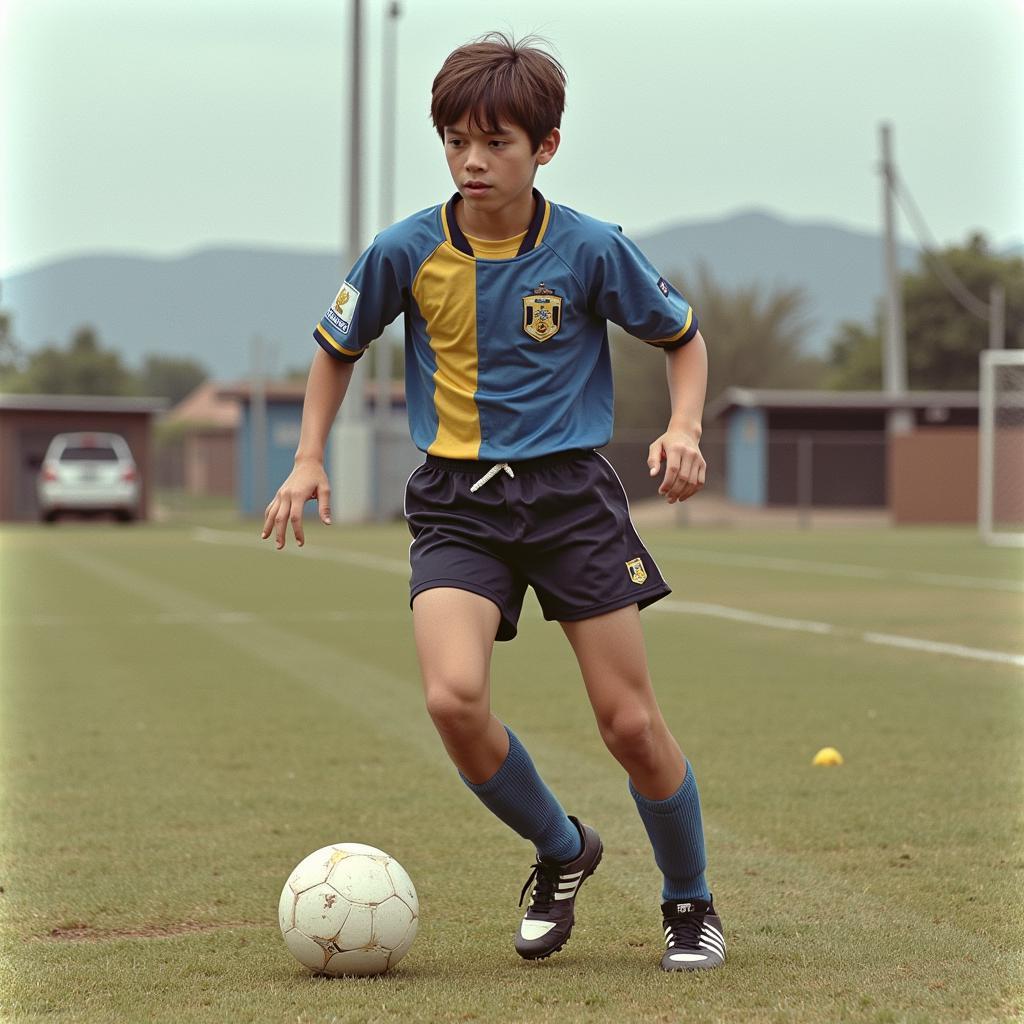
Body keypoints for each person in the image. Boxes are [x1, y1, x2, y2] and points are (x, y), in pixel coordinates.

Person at [261, 32, 725, 972]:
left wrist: (685, 427)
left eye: (496, 143)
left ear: (545, 146)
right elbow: (335, 348)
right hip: (456, 501)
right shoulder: (405, 249)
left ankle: (690, 902)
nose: (473, 162)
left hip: (571, 498)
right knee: (452, 698)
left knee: (629, 724)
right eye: (455, 141)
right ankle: (563, 850)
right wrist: (308, 457)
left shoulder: (592, 248)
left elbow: (683, 338)